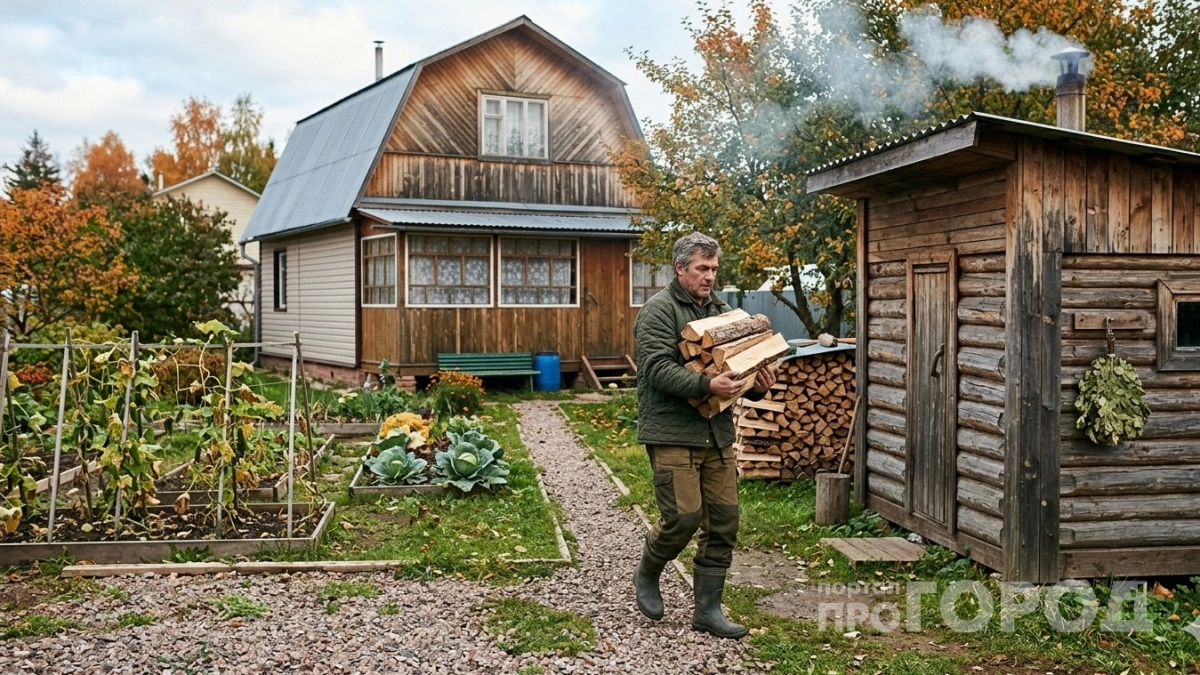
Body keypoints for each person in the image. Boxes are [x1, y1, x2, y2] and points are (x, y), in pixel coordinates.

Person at [631, 232, 777, 639]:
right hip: (672, 431)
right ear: (680, 269)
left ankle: (708, 611)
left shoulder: (721, 311)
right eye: (702, 268)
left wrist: (759, 380)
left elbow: (741, 365)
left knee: (724, 522)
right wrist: (707, 386)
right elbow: (657, 370)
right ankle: (648, 571)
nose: (710, 276)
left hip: (717, 432)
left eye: (714, 268)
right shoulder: (658, 312)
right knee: (682, 517)